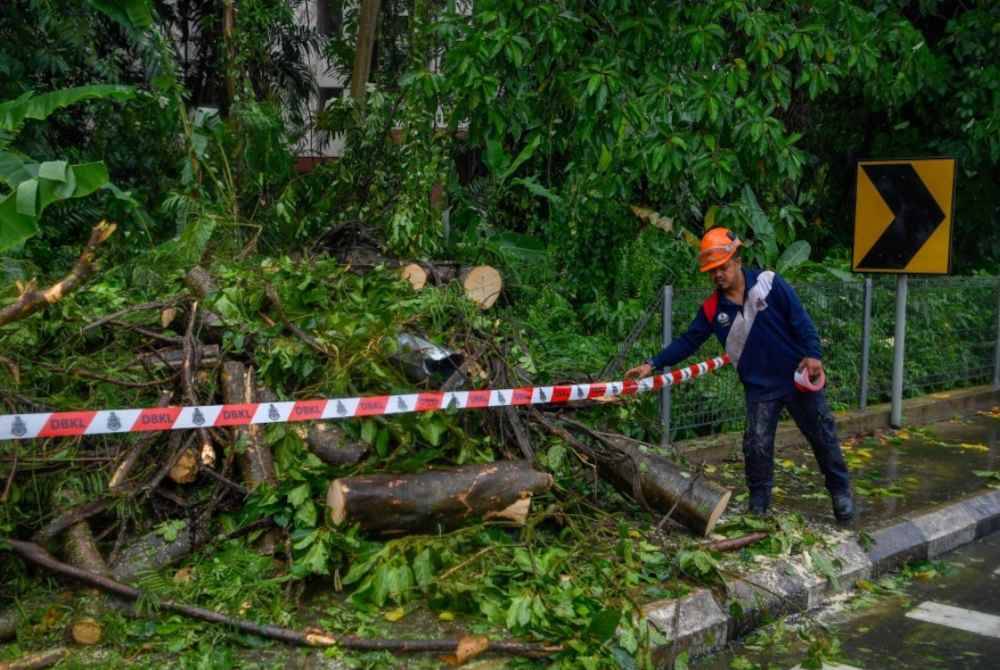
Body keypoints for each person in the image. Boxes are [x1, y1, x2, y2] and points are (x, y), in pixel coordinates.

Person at [625, 228, 854, 522]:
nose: (718, 275)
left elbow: (801, 320)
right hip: (760, 388)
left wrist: (813, 355)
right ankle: (759, 505)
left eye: (722, 268)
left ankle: (840, 494)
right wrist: (652, 363)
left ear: (737, 260)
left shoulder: (769, 284)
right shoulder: (711, 310)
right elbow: (688, 341)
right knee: (756, 445)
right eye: (712, 271)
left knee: (823, 436)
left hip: (797, 377)